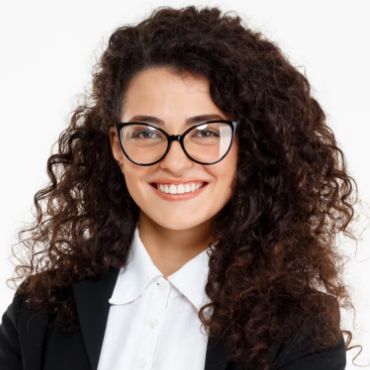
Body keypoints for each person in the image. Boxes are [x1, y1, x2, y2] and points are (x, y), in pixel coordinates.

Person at [0, 5, 358, 370]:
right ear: (116, 146)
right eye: (145, 132)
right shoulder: (39, 312)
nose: (174, 162)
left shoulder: (302, 332)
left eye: (205, 132)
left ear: (246, 145)